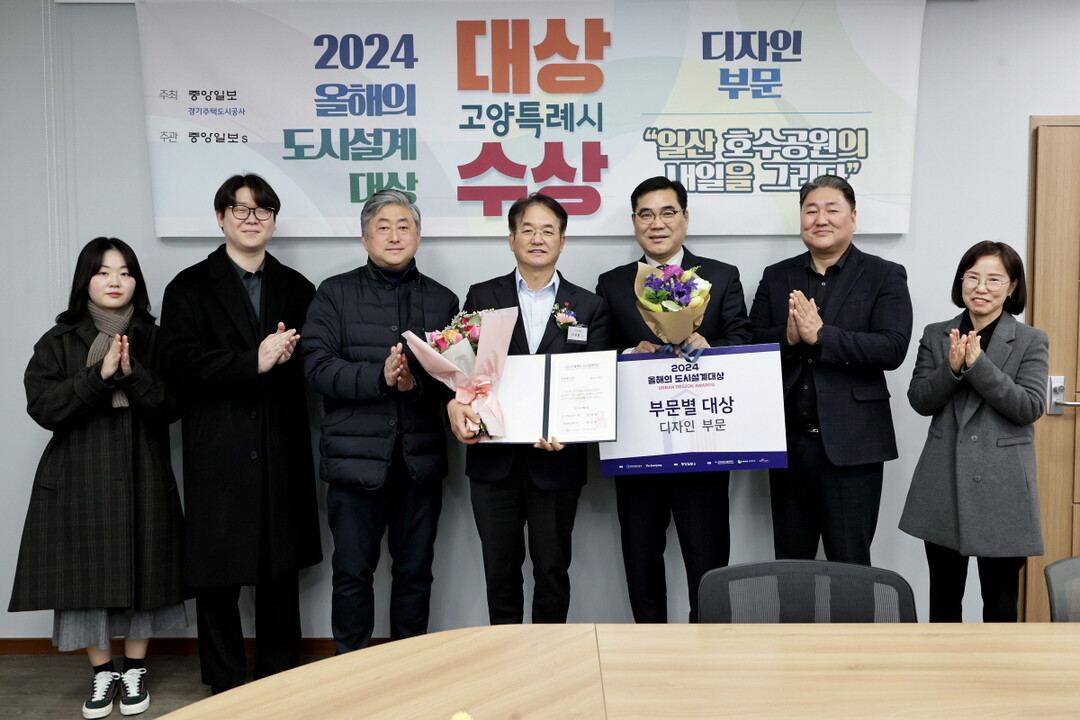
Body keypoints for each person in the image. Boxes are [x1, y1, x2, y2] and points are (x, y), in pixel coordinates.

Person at [10, 237, 186, 719]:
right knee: (82, 581)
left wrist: (131, 374)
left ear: (136, 282)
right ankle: (102, 672)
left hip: (142, 471)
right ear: (85, 280)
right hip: (77, 476)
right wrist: (98, 376)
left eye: (125, 272)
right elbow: (43, 408)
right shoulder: (58, 340)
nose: (115, 281)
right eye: (104, 271)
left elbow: (173, 405)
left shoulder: (155, 338)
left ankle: (134, 669)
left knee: (146, 572)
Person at [160, 174, 321, 693]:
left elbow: (315, 366)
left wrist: (288, 357)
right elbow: (178, 365)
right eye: (241, 209)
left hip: (280, 444)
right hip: (218, 448)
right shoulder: (188, 286)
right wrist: (253, 360)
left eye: (263, 210)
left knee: (280, 573)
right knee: (217, 576)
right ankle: (224, 685)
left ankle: (278, 679)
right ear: (220, 218)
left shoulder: (297, 288)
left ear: (274, 220)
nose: (252, 219)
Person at [302, 189, 458, 652]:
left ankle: (409, 672)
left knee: (415, 574)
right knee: (353, 575)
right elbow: (316, 367)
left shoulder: (443, 300)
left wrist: (412, 385)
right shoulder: (334, 293)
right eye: (383, 227)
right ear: (365, 238)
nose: (394, 236)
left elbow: (456, 381)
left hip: (418, 464)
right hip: (355, 465)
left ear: (418, 236)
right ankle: (352, 673)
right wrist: (380, 376)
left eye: (404, 226)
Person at [448, 193, 612, 624]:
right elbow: (463, 368)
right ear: (511, 239)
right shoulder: (482, 296)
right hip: (493, 457)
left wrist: (572, 430)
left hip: (556, 458)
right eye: (528, 230)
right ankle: (507, 658)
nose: (537, 239)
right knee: (499, 573)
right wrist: (456, 402)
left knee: (552, 572)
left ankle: (549, 657)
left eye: (548, 231)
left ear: (562, 241)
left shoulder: (588, 305)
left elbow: (594, 383)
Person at [595, 176, 750, 623]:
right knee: (641, 558)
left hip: (703, 442)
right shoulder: (612, 283)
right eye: (646, 214)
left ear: (685, 218)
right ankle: (649, 647)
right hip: (638, 446)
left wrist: (710, 345)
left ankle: (707, 649)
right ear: (634, 222)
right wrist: (630, 353)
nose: (656, 223)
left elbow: (742, 337)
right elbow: (597, 353)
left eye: (667, 212)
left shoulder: (721, 275)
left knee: (708, 560)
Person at [749, 174, 912, 566]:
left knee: (850, 566)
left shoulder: (884, 274)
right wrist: (789, 338)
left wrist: (822, 337)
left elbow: (892, 347)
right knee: (791, 565)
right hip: (789, 445)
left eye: (832, 209)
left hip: (853, 446)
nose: (820, 219)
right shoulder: (777, 275)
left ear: (853, 218)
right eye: (810, 211)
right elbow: (750, 343)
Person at [899, 241, 1047, 622]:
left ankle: (997, 665)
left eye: (994, 280)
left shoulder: (1030, 340)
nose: (981, 288)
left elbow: (1029, 407)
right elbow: (919, 400)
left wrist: (978, 366)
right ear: (961, 281)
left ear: (1012, 287)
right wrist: (950, 370)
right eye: (973, 277)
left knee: (1000, 606)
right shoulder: (937, 334)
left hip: (1003, 490)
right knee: (943, 603)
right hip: (943, 484)